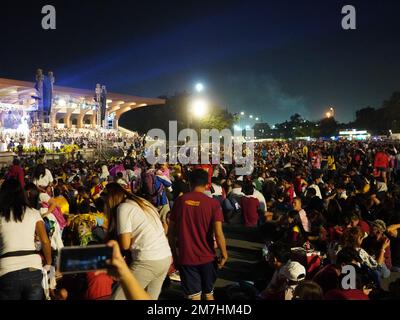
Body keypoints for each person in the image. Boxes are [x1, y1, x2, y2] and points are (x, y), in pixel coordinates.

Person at [168, 169, 228, 300]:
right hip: (208, 257)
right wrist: (224, 253)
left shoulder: (180, 201)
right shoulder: (213, 204)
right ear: (207, 184)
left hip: (186, 257)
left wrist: (174, 254)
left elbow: (171, 233)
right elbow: (218, 233)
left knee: (193, 296)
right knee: (209, 294)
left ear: (189, 183)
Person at [105, 183, 172, 300]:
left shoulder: (123, 208)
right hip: (165, 257)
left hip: (148, 260)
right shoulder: (142, 202)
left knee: (118, 297)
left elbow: (125, 245)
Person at [0, 179, 52, 300]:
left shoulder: (1, 215)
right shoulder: (33, 213)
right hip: (33, 267)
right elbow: (45, 241)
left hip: (7, 270)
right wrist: (48, 263)